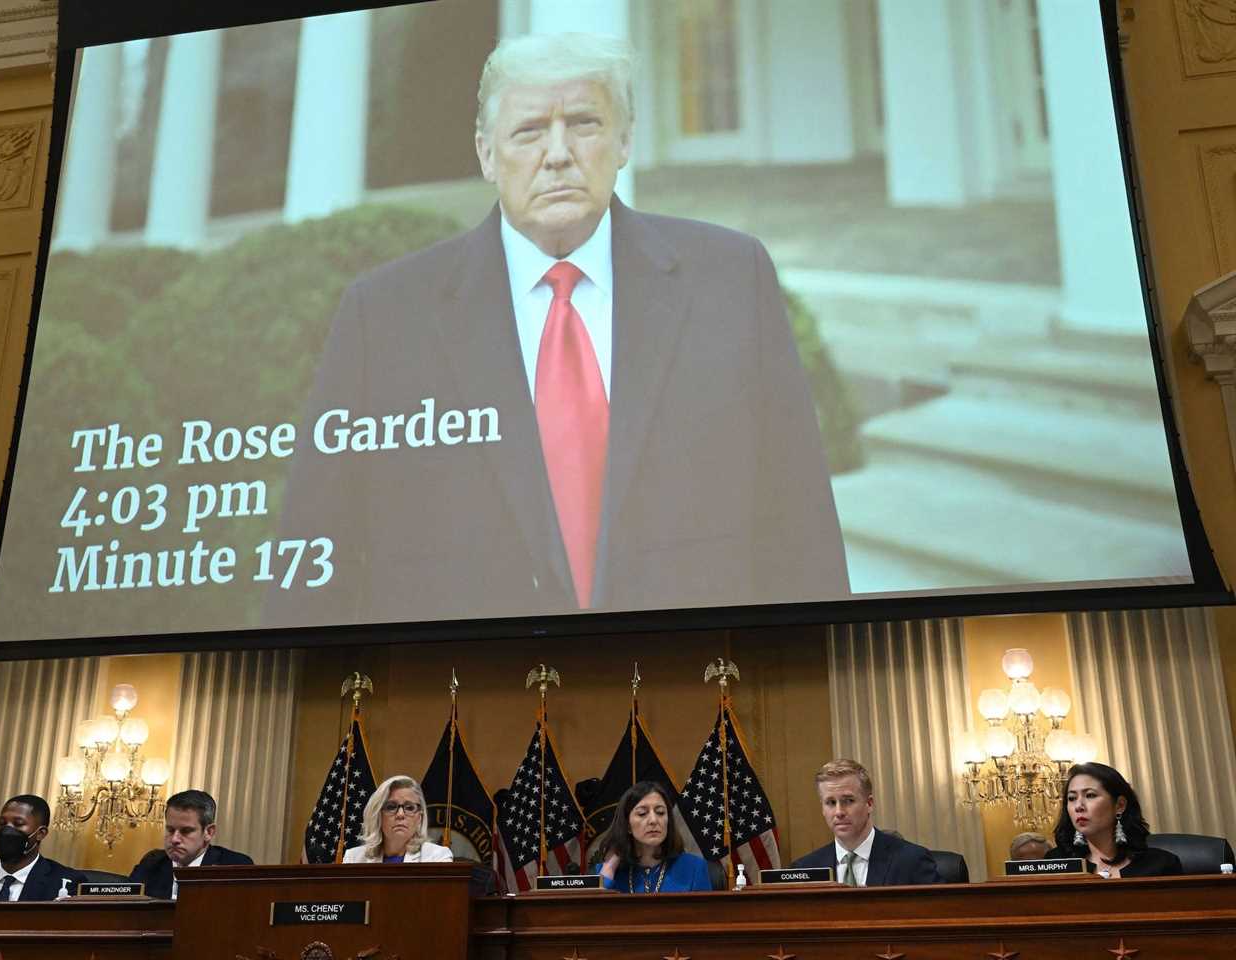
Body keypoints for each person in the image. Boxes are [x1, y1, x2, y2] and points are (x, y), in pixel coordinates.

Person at [271, 31, 848, 629]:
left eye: (584, 123)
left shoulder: (731, 277)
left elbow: (800, 529)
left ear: (624, 141)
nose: (557, 153)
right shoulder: (383, 315)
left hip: (696, 685)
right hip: (461, 697)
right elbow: (315, 560)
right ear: (486, 154)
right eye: (527, 132)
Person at [791, 759, 941, 886]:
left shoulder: (912, 861)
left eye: (848, 801)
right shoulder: (804, 870)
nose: (839, 812)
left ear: (869, 804)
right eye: (830, 802)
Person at [1045, 762, 1183, 878]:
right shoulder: (1055, 863)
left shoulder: (1162, 864)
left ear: (1120, 805)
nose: (1078, 806)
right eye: (1072, 798)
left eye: (1090, 795)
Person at [0, 794, 87, 901]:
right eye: (2, 823)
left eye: (18, 824)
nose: (7, 830)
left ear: (40, 834)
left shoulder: (65, 883)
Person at [129, 789, 253, 899]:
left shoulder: (235, 867)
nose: (174, 839)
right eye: (170, 830)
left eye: (186, 831)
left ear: (209, 832)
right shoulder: (151, 865)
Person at [597, 780, 710, 893]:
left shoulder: (694, 868)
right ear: (627, 825)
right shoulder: (607, 872)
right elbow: (596, 909)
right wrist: (610, 867)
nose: (653, 820)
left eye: (660, 812)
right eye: (642, 813)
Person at [343, 776, 453, 863]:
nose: (400, 815)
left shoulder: (438, 857)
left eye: (410, 808)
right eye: (391, 807)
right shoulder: (353, 858)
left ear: (420, 817)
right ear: (377, 815)